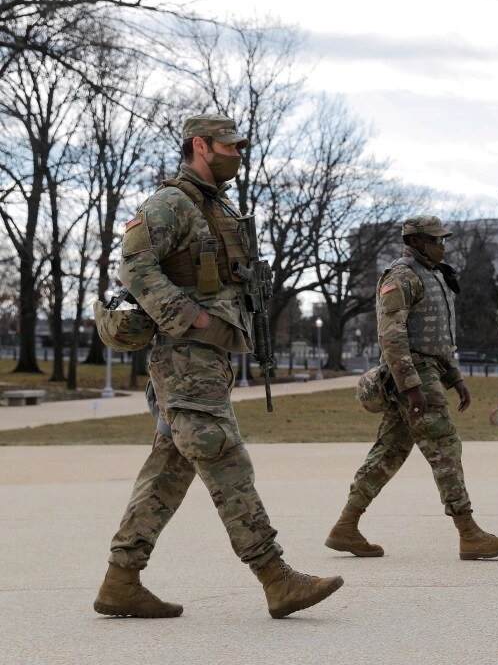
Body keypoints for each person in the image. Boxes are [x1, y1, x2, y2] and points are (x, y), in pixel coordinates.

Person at [95, 114, 343, 620]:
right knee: (223, 454)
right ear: (199, 146)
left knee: (170, 467)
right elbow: (134, 265)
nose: (237, 153)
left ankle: (121, 581)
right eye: (228, 146)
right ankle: (276, 578)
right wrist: (190, 315)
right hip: (186, 355)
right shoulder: (172, 203)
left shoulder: (218, 206)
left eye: (240, 146)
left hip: (208, 357)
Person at [325, 216, 498, 561]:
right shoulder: (401, 277)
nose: (443, 246)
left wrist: (456, 378)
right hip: (414, 375)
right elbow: (392, 337)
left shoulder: (432, 275)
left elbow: (439, 339)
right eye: (437, 240)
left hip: (428, 371)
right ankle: (469, 533)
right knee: (445, 447)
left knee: (389, 452)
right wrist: (411, 385)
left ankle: (346, 527)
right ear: (416, 242)